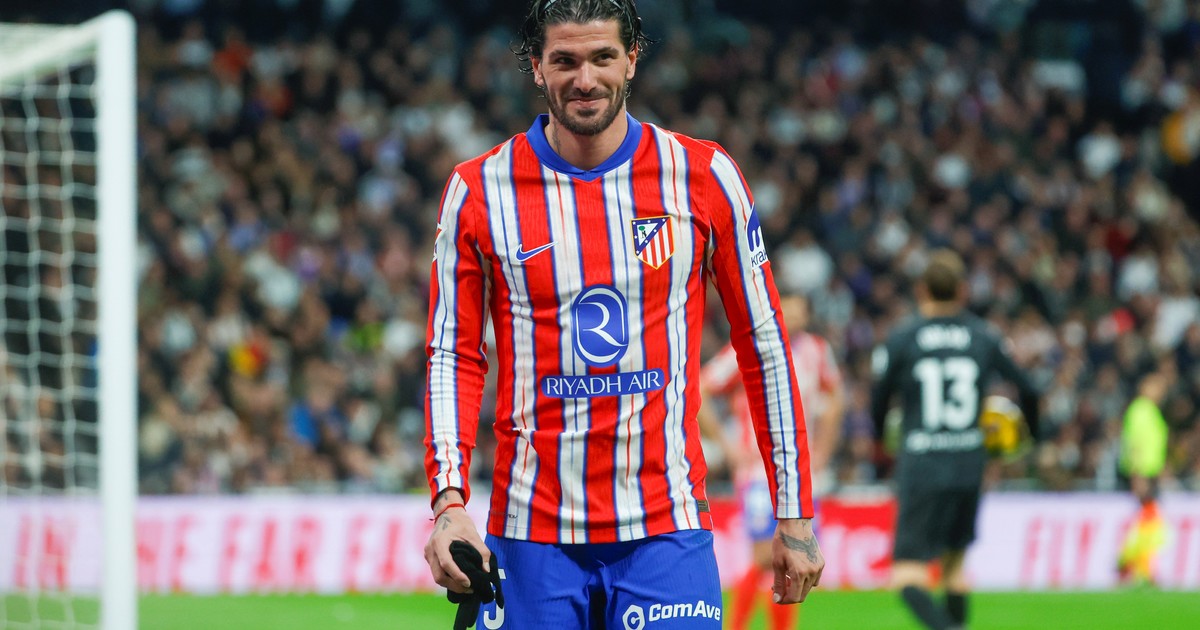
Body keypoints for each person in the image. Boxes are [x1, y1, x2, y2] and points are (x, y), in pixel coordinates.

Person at [421, 1, 824, 628]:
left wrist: (793, 511)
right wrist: (449, 502)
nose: (585, 79)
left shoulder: (703, 176)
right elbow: (453, 354)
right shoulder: (478, 191)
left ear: (632, 59)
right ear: (536, 67)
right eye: (565, 61)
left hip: (666, 529)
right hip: (530, 535)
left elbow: (764, 343)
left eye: (603, 57)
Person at [870, 249, 1041, 630]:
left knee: (906, 575)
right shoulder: (983, 335)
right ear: (963, 290)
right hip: (968, 464)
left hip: (922, 463)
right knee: (954, 570)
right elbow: (1029, 389)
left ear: (921, 290)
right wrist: (1030, 437)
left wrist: (882, 440)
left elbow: (878, 399)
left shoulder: (903, 338)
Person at [697, 290, 844, 630]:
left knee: (793, 556)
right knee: (766, 555)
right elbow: (702, 387)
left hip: (800, 472)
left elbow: (835, 398)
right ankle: (736, 625)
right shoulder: (751, 345)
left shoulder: (817, 351)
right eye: (786, 309)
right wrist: (727, 445)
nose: (792, 316)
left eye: (798, 311)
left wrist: (823, 449)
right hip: (758, 471)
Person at [1116, 371, 1171, 586]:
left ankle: (1132, 567)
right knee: (1148, 523)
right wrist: (1137, 474)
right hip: (1143, 473)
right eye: (1156, 387)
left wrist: (1162, 467)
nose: (1160, 392)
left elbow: (1154, 444)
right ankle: (1135, 567)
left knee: (1146, 523)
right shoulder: (1140, 410)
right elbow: (1135, 444)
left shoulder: (1150, 411)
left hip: (1150, 472)